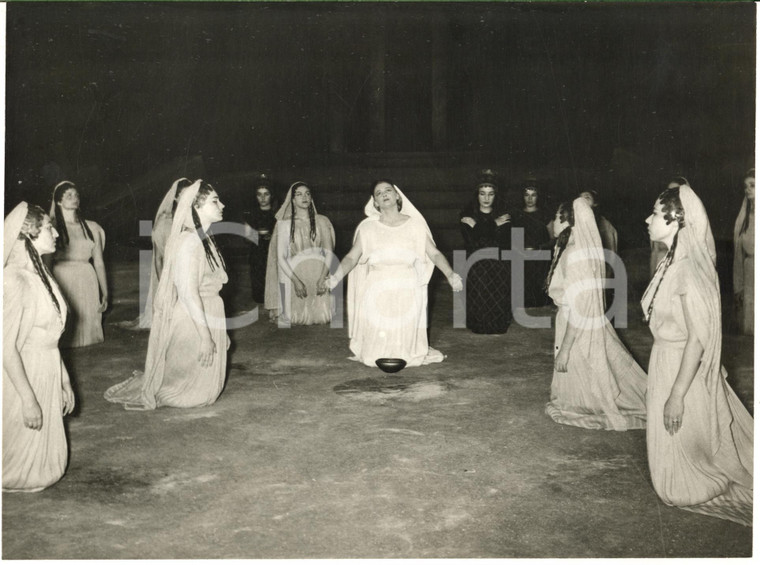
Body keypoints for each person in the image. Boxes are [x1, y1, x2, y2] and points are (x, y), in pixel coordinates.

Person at [642, 183, 753, 526]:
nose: (648, 220)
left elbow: (697, 341)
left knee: (676, 488)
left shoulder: (689, 269)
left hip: (680, 371)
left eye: (656, 214)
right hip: (664, 363)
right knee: (666, 476)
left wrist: (677, 396)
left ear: (676, 221)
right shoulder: (670, 262)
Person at [104, 180, 230, 409]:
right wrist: (205, 337)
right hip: (194, 319)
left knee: (207, 393)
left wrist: (219, 331)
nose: (222, 204)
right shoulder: (189, 242)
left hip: (209, 311)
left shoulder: (206, 238)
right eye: (215, 201)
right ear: (196, 206)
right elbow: (189, 294)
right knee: (190, 397)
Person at [322, 180, 463, 367]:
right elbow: (351, 258)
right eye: (378, 193)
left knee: (405, 351)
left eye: (388, 190)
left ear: (397, 196)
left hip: (407, 286)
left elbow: (434, 254)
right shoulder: (367, 228)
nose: (384, 194)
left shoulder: (415, 226)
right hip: (376, 286)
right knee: (373, 356)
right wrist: (335, 277)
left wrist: (451, 274)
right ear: (375, 202)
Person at [545, 197, 647, 431]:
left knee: (592, 375)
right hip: (573, 321)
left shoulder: (575, 254)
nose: (552, 222)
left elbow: (579, 309)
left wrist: (566, 350)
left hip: (576, 325)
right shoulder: (571, 248)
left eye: (556, 217)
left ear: (568, 221)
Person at [3, 202, 75, 492]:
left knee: (47, 471)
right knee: (23, 470)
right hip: (24, 376)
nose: (56, 233)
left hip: (46, 367)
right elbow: (6, 349)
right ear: (26, 235)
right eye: (48, 228)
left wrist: (64, 380)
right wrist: (28, 400)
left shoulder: (41, 276)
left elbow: (51, 335)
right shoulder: (14, 280)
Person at [116, 177, 194, 330]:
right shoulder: (165, 222)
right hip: (174, 273)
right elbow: (158, 258)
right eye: (184, 195)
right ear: (176, 198)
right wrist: (164, 284)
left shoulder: (196, 219)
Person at [264, 181, 334, 326]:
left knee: (322, 319)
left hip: (318, 273)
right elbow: (281, 257)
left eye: (308, 193)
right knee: (295, 319)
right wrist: (296, 282)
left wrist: (323, 278)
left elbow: (329, 251)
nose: (305, 197)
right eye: (299, 194)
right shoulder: (284, 224)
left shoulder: (322, 220)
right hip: (295, 274)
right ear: (293, 199)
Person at [47, 181, 108, 347]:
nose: (75, 199)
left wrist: (105, 292)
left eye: (76, 195)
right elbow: (47, 264)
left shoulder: (92, 227)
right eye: (69, 196)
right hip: (63, 279)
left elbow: (99, 263)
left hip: (87, 278)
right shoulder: (52, 227)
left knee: (88, 338)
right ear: (59, 201)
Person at [459, 170, 512, 334]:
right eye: (482, 194)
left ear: (496, 195)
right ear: (477, 195)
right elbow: (473, 243)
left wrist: (478, 227)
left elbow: (499, 243)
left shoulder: (504, 215)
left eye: (491, 194)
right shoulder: (466, 215)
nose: (486, 198)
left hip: (498, 264)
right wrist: (494, 225)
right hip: (476, 264)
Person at [512, 185, 552, 307]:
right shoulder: (516, 215)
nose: (530, 199)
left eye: (533, 195)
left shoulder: (545, 216)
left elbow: (553, 239)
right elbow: (512, 239)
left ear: (538, 197)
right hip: (521, 258)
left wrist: (541, 248)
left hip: (541, 259)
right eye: (527, 195)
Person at [242, 174, 279, 304]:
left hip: (274, 252)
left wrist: (272, 236)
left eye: (266, 194)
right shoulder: (251, 215)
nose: (263, 198)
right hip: (257, 253)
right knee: (259, 293)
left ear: (272, 195)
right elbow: (247, 238)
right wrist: (258, 235)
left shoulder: (278, 214)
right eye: (259, 194)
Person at [649, 176, 688, 279]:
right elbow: (654, 252)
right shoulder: (660, 225)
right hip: (661, 269)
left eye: (676, 191)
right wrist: (652, 279)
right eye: (669, 190)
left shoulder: (688, 226)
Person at [733, 168, 754, 335]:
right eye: (746, 186)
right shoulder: (745, 217)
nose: (747, 189)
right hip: (749, 269)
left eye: (752, 185)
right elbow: (739, 250)